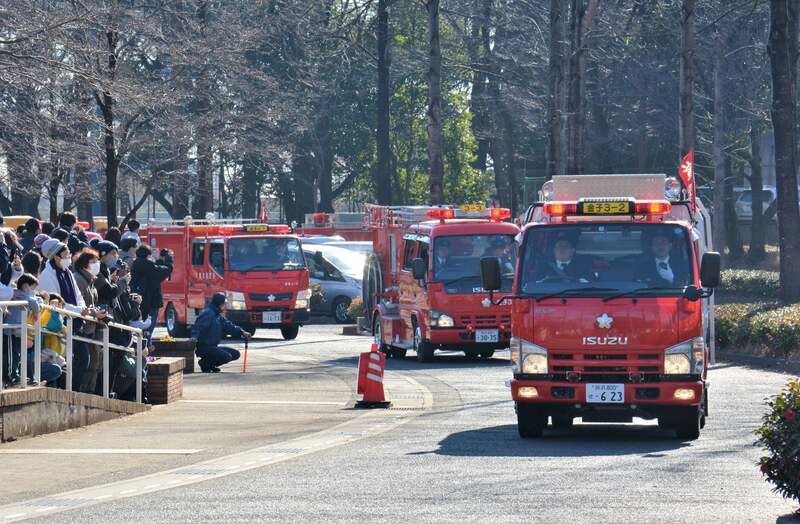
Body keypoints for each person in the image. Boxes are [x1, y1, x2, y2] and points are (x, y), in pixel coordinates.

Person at [38, 239, 92, 388]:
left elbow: (78, 295)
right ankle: (68, 390)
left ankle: (71, 389)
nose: (69, 256)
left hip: (74, 321)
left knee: (80, 358)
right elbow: (57, 302)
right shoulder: (47, 275)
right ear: (56, 256)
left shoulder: (67, 272)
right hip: (58, 325)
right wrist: (78, 310)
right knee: (73, 359)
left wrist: (82, 308)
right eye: (66, 253)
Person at [15, 274, 62, 385]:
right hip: (18, 342)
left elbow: (51, 323)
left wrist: (51, 308)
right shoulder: (19, 300)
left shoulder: (35, 304)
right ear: (26, 286)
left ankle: (31, 379)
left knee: (55, 370)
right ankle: (20, 377)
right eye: (34, 288)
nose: (36, 291)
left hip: (32, 352)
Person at [191, 293, 250, 373]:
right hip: (204, 347)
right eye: (224, 303)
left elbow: (228, 326)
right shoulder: (208, 313)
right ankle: (205, 364)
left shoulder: (217, 315)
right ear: (220, 304)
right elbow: (197, 327)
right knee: (226, 356)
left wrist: (242, 332)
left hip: (213, 346)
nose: (225, 305)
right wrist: (194, 339)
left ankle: (210, 364)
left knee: (235, 354)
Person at [130, 244, 173, 346]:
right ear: (148, 255)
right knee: (148, 330)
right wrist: (169, 261)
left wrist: (159, 261)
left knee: (139, 330)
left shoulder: (135, 264)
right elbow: (164, 271)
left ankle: (143, 351)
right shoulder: (148, 266)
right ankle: (146, 350)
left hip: (137, 301)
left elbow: (155, 270)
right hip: (151, 302)